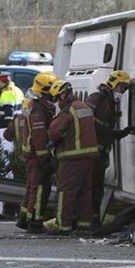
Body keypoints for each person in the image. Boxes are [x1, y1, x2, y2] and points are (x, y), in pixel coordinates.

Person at [3, 72, 57, 233]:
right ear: (47, 90)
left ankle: (24, 218)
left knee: (32, 187)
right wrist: (44, 157)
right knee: (39, 189)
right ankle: (35, 222)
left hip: (30, 154)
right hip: (36, 155)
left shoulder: (34, 105)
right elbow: (39, 136)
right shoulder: (39, 109)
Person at [44, 80, 98, 234]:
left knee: (65, 191)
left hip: (72, 156)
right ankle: (84, 225)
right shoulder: (84, 106)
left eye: (55, 99)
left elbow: (54, 132)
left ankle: (63, 226)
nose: (56, 103)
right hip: (89, 155)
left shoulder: (68, 110)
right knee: (84, 191)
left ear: (62, 95)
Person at [86, 70, 134, 226]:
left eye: (125, 89)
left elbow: (106, 131)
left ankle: (94, 219)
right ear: (113, 84)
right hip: (93, 152)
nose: (122, 92)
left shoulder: (110, 103)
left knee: (97, 187)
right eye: (121, 88)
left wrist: (122, 133)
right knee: (92, 187)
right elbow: (87, 123)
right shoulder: (98, 98)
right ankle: (87, 220)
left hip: (101, 152)